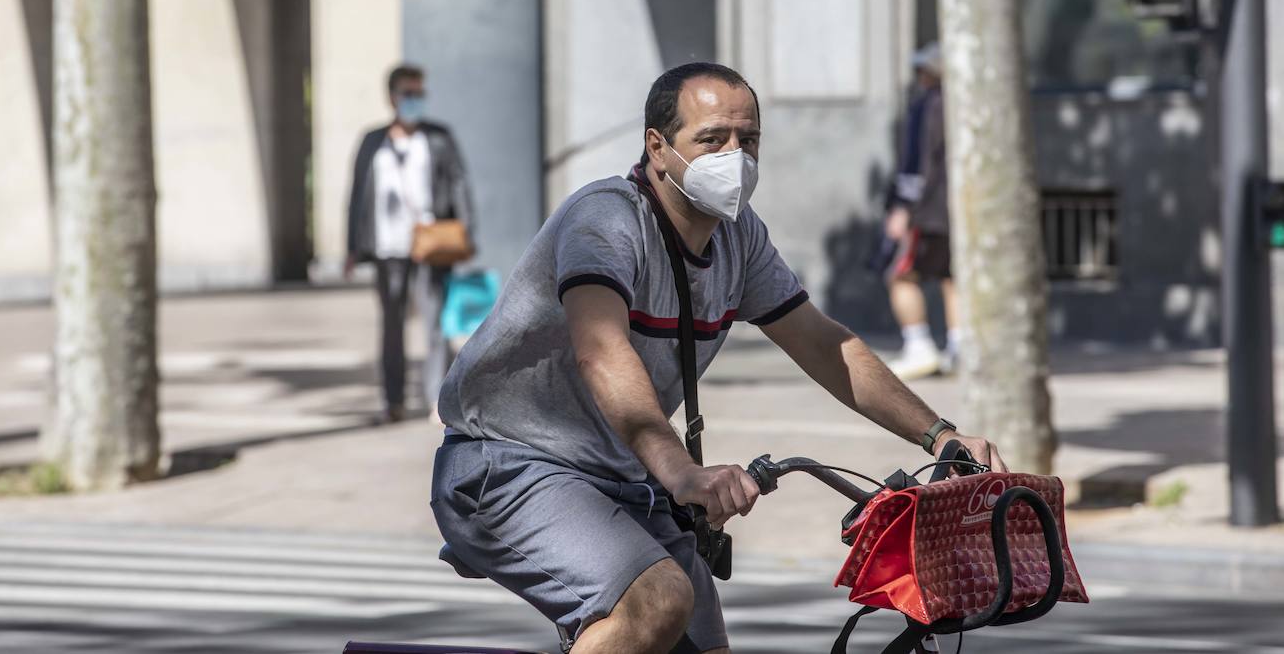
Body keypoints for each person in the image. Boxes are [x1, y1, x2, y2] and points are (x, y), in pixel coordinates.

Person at [431, 63, 1006, 654]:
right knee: (657, 600)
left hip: (624, 481)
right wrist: (682, 472)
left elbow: (822, 343)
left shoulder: (739, 237)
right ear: (658, 146)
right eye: (712, 139)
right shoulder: (604, 219)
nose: (735, 156)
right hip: (507, 467)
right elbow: (601, 351)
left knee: (704, 646)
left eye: (748, 139)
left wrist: (939, 436)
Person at [345, 64, 474, 423]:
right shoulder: (373, 141)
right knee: (391, 327)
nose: (415, 100)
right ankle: (394, 400)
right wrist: (352, 247)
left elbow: (459, 183)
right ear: (392, 97)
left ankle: (437, 398)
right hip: (388, 249)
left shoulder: (438, 137)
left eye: (420, 93)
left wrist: (465, 232)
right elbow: (357, 195)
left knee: (434, 325)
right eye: (408, 93)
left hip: (429, 244)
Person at [884, 41, 962, 381]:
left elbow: (916, 163)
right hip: (957, 208)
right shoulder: (964, 106)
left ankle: (919, 346)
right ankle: (961, 350)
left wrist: (903, 207)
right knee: (952, 277)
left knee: (900, 275)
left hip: (928, 210)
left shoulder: (927, 106)